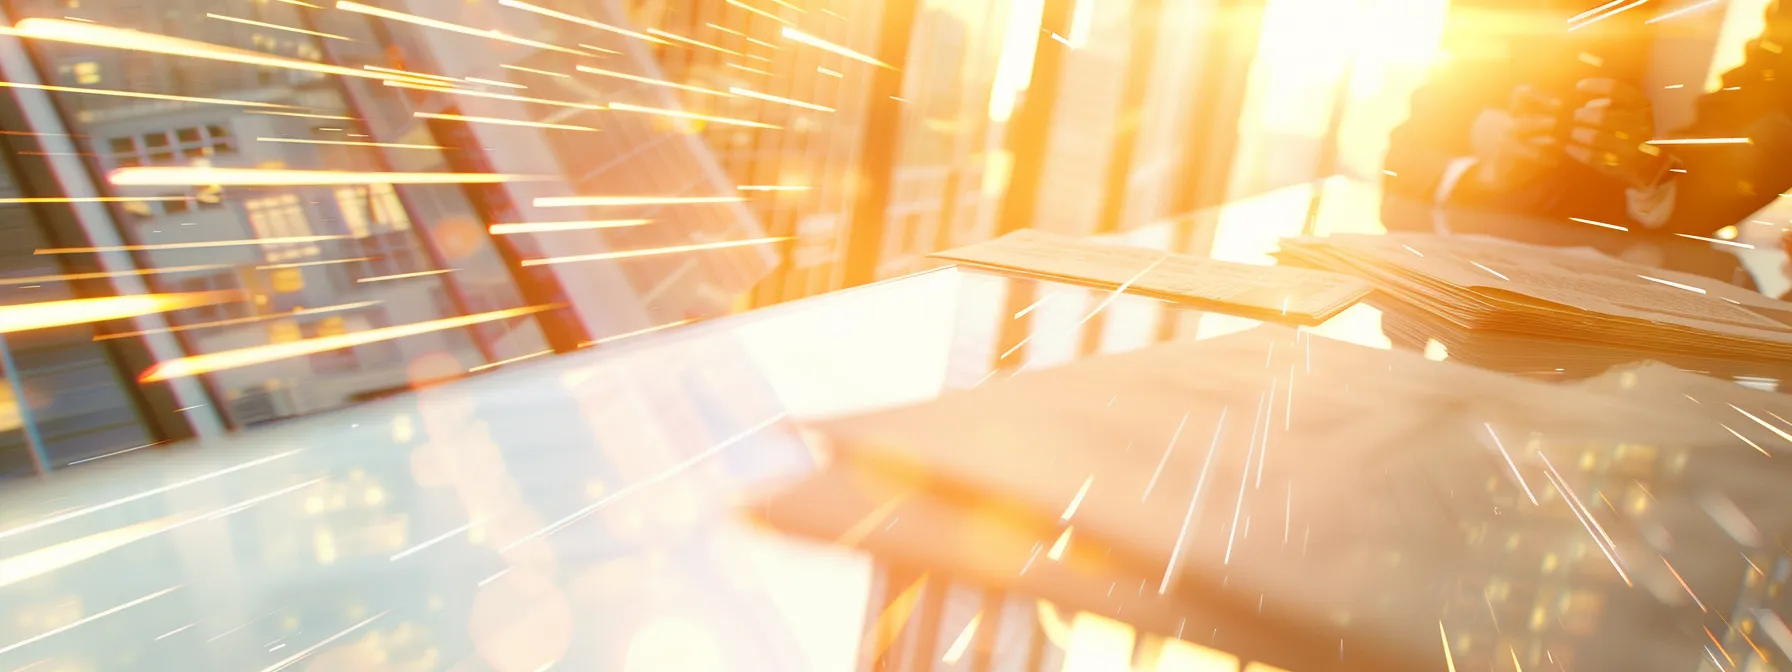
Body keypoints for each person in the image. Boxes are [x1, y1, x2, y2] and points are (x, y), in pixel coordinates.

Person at [1383, 0, 1655, 224]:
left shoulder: (1631, 77)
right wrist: (1486, 174)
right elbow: (1402, 161)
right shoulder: (1471, 65)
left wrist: (1647, 173)